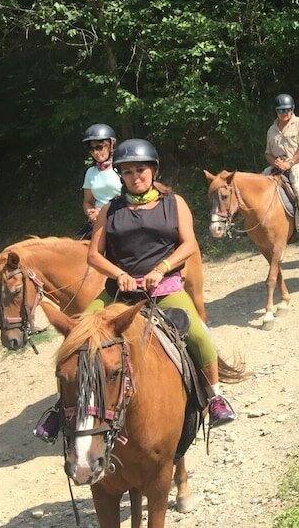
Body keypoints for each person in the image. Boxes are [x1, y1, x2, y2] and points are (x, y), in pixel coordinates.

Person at [34, 139, 237, 442]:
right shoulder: (111, 210)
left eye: (140, 169)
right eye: (126, 172)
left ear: (153, 170)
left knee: (198, 333)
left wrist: (160, 268)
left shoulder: (174, 203)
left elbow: (189, 244)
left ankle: (215, 396)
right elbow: (94, 254)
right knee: (76, 337)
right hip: (120, 291)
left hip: (164, 287)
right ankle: (58, 408)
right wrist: (120, 274)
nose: (134, 176)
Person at [264, 93, 299, 240]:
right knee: (258, 184)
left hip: (298, 164)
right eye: (280, 110)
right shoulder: (271, 130)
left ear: (292, 109)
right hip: (278, 165)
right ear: (276, 111)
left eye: (286, 110)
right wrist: (275, 162)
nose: (283, 113)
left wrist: (290, 162)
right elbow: (267, 153)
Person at [77, 123, 122, 239]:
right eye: (91, 149)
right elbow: (87, 201)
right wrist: (91, 214)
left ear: (111, 146)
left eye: (99, 147)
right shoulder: (90, 172)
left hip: (121, 218)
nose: (95, 153)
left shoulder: (121, 169)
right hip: (98, 222)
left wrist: (104, 213)